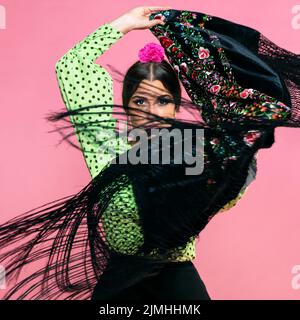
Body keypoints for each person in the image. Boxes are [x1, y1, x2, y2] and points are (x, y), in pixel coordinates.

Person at [0, 7, 299, 300]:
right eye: (141, 101)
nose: (152, 113)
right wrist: (125, 23)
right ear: (126, 106)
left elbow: (227, 193)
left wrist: (243, 156)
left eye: (163, 101)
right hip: (120, 285)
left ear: (177, 107)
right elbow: (72, 66)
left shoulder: (194, 153)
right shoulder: (106, 147)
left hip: (177, 282)